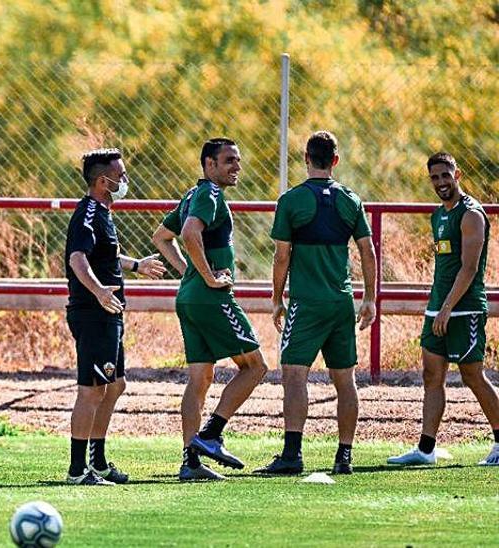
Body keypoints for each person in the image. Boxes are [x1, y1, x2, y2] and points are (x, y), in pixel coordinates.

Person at [255, 131, 377, 476]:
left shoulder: (291, 200)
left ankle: (292, 455)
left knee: (294, 374)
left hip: (306, 303)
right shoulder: (351, 199)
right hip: (341, 301)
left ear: (306, 158)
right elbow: (367, 251)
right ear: (335, 161)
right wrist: (369, 298)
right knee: (345, 379)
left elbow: (282, 256)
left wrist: (277, 299)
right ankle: (344, 456)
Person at [151, 137, 268, 481]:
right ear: (209, 165)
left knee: (200, 378)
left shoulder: (192, 194)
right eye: (229, 160)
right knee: (255, 367)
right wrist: (209, 277)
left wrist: (189, 271)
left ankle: (190, 462)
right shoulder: (210, 195)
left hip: (188, 297)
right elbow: (188, 233)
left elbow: (160, 237)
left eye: (238, 160)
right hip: (210, 297)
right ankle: (211, 434)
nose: (236, 166)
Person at [387, 152, 499, 467]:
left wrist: (449, 307)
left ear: (457, 174)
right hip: (438, 308)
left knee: (473, 375)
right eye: (434, 178)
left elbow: (469, 268)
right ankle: (425, 450)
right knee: (431, 375)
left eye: (445, 176)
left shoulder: (471, 214)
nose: (440, 183)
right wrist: (438, 306)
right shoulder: (438, 216)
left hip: (463, 310)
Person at [64, 148, 166, 486]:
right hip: (94, 312)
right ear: (101, 181)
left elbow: (105, 254)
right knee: (92, 389)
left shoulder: (104, 213)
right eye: (119, 175)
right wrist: (99, 291)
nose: (124, 180)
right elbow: (78, 258)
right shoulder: (88, 213)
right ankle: (78, 470)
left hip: (110, 312)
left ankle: (99, 461)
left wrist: (137, 266)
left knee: (115, 385)